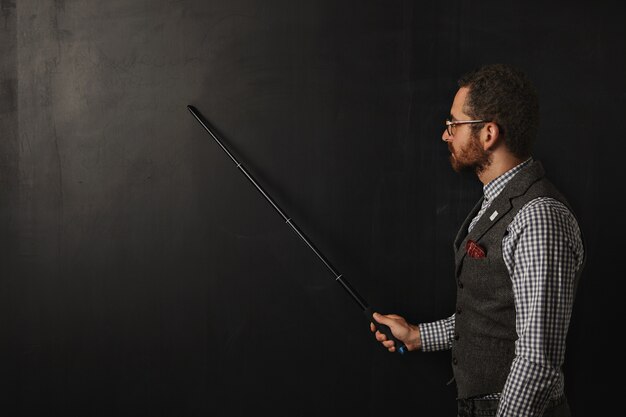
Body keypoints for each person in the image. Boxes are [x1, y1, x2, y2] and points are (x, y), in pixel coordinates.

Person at [370, 63, 586, 417]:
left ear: (488, 134)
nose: (446, 135)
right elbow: (492, 314)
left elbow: (537, 362)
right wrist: (417, 335)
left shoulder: (538, 217)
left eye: (453, 124)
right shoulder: (498, 202)